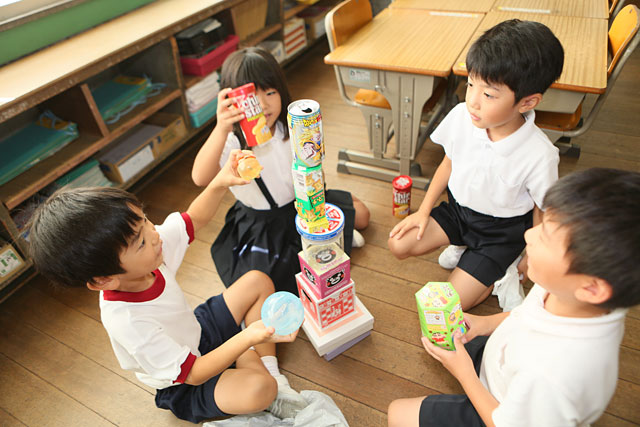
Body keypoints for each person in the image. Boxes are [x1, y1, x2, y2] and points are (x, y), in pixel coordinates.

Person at [27, 151, 308, 424]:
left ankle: (270, 372)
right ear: (104, 280)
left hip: (197, 330)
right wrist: (246, 339)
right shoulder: (128, 322)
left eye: (145, 219)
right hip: (184, 381)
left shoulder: (148, 248)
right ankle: (260, 371)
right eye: (140, 241)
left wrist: (220, 181)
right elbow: (194, 373)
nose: (154, 234)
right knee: (259, 389)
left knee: (257, 280)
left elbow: (193, 219)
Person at [387, 168, 640, 427]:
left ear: (592, 288)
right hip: (504, 364)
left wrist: (465, 374)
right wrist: (485, 323)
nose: (529, 235)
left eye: (546, 237)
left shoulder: (554, 374)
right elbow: (529, 314)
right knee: (442, 340)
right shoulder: (574, 292)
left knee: (397, 414)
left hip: (502, 412)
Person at [388, 20, 564, 310]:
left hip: (501, 234)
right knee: (398, 244)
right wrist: (423, 211)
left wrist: (532, 252)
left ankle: (499, 270)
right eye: (470, 84)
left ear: (527, 102)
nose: (473, 101)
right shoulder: (462, 116)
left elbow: (541, 207)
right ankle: (464, 249)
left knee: (447, 306)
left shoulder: (540, 153)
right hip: (459, 213)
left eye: (489, 94)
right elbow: (448, 163)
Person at [192, 47, 370, 295]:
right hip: (266, 224)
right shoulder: (232, 140)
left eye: (270, 92)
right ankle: (333, 244)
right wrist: (221, 127)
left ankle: (336, 240)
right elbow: (199, 177)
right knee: (274, 282)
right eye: (251, 99)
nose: (263, 105)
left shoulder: (289, 125)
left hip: (304, 204)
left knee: (362, 214)